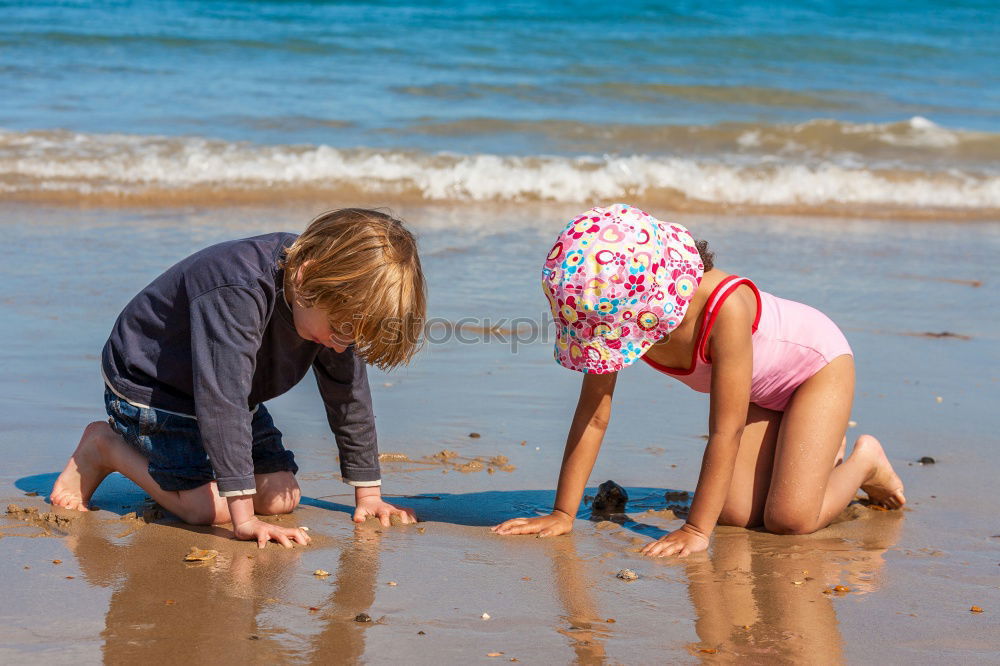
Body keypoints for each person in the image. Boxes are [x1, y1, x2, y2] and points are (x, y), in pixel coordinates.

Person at [492, 203, 905, 557]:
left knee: (789, 519)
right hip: (760, 392)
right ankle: (812, 450)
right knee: (736, 514)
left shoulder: (725, 309)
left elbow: (726, 429)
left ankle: (864, 461)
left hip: (816, 371)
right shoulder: (622, 314)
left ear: (649, 304)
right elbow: (593, 415)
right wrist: (564, 513)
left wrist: (695, 530)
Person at [51, 208, 425, 548]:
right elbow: (222, 398)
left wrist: (369, 495)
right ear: (306, 274)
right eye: (341, 330)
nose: (343, 346)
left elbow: (348, 395)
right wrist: (244, 520)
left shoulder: (332, 299)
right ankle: (105, 448)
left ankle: (195, 475)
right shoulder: (237, 287)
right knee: (203, 511)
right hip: (154, 388)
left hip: (229, 395)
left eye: (353, 336)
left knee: (283, 496)